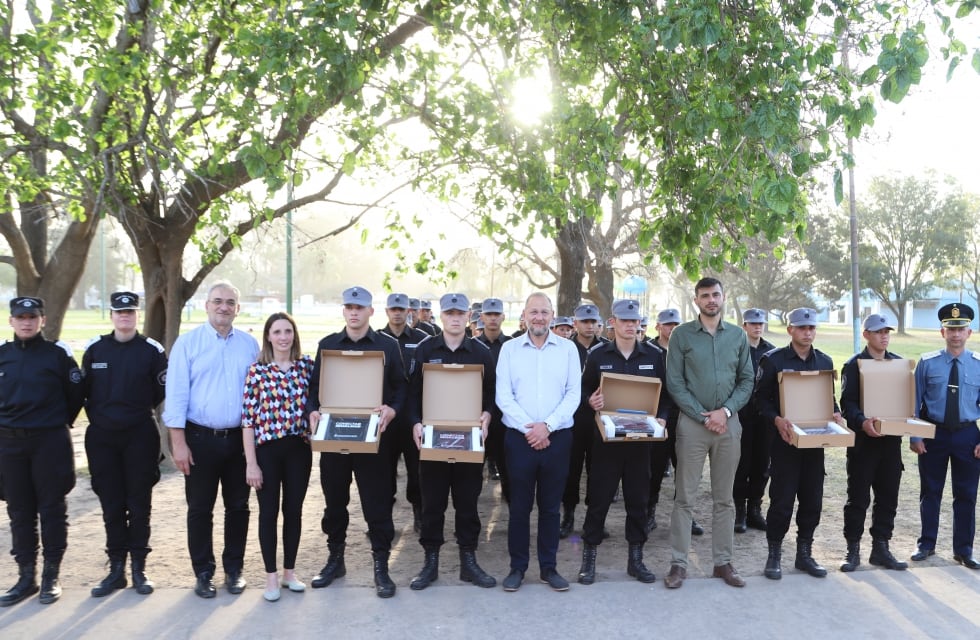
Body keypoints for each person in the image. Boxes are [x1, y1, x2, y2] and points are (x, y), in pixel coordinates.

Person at [305, 286, 407, 598]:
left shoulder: (388, 346)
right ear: (343, 310)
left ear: (370, 312)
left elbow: (401, 387)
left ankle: (381, 565)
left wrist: (393, 409)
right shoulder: (328, 345)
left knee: (377, 505)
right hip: (335, 436)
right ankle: (335, 559)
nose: (354, 312)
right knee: (335, 502)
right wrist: (312, 411)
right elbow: (313, 390)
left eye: (360, 307)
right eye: (349, 306)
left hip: (374, 439)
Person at [164, 281, 259, 599]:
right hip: (199, 439)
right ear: (206, 305)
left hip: (238, 441)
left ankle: (234, 570)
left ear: (238, 308)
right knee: (200, 509)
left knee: (238, 507)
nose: (223, 307)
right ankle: (203, 572)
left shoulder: (249, 345)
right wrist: (178, 442)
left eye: (230, 302)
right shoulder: (187, 344)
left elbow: (259, 395)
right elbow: (175, 396)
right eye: (217, 301)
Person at [664, 278, 753, 590]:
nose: (712, 300)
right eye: (705, 296)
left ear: (723, 296)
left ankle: (723, 562)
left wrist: (725, 412)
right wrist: (702, 415)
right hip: (692, 425)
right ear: (696, 300)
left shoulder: (738, 336)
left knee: (724, 498)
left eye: (716, 294)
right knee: (684, 497)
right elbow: (675, 381)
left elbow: (746, 380)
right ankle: (678, 563)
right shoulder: (681, 335)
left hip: (728, 425)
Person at [408, 293, 497, 590]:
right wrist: (416, 423)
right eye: (449, 313)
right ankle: (430, 563)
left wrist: (486, 415)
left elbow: (491, 394)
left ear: (468, 316)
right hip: (434, 438)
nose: (455, 318)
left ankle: (468, 562)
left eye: (460, 313)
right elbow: (412, 394)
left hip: (468, 438)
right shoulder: (424, 350)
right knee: (432, 504)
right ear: (441, 316)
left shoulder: (481, 353)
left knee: (467, 503)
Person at [576, 299, 668, 586]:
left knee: (638, 501)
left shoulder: (653, 356)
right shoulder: (598, 354)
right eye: (624, 320)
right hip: (606, 442)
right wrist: (590, 401)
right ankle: (588, 558)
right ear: (613, 322)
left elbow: (665, 396)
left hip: (640, 442)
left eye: (635, 321)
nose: (630, 326)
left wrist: (662, 417)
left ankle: (636, 559)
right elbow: (582, 390)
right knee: (599, 500)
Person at [82, 292, 168, 598]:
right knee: (111, 503)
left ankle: (139, 569)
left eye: (130, 312)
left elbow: (160, 391)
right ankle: (116, 568)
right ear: (111, 315)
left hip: (140, 434)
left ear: (137, 314)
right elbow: (84, 392)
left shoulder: (151, 350)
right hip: (103, 437)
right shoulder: (95, 348)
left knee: (139, 503)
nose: (125, 316)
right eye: (119, 312)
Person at [0, 297, 84, 607]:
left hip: (49, 441)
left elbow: (76, 395)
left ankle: (51, 576)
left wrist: (53, 423)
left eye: (32, 317)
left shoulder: (57, 355)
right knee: (19, 511)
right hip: (9, 444)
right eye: (20, 317)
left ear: (42, 321)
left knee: (52, 510)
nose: (26, 322)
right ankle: (26, 577)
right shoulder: (2, 356)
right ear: (11, 320)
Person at [496, 292, 581, 592]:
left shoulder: (569, 350)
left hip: (557, 440)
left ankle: (549, 568)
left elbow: (573, 394)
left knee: (550, 509)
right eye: (534, 312)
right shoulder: (509, 350)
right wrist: (530, 429)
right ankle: (517, 567)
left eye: (544, 312)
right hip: (519, 441)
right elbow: (503, 396)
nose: (539, 317)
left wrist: (547, 427)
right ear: (524, 314)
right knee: (519, 508)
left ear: (552, 314)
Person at [755, 307, 842, 580]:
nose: (807, 332)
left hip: (816, 442)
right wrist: (777, 420)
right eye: (802, 328)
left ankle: (804, 554)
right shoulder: (773, 360)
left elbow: (830, 399)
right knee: (781, 500)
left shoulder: (825, 362)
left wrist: (836, 413)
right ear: (790, 329)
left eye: (811, 328)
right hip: (785, 442)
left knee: (812, 500)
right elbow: (760, 400)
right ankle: (774, 554)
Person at [241, 312, 315, 602]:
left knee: (293, 511)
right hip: (267, 451)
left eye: (288, 331)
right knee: (268, 513)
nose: (283, 337)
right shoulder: (257, 371)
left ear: (294, 335)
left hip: (298, 449)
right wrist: (251, 463)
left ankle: (289, 574)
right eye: (277, 332)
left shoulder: (306, 367)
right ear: (268, 336)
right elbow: (247, 421)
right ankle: (270, 577)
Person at [910, 302, 980, 569]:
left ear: (969, 332)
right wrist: (915, 436)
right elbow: (914, 402)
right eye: (951, 329)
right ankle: (926, 544)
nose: (956, 334)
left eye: (961, 329)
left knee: (966, 493)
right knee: (930, 491)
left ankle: (964, 549)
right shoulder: (927, 363)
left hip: (967, 436)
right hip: (932, 434)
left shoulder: (978, 365)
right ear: (942, 332)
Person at [838, 313, 907, 572]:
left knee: (888, 497)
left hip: (891, 444)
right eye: (878, 332)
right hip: (863, 445)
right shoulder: (853, 365)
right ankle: (852, 549)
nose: (884, 336)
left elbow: (903, 400)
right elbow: (847, 404)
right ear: (866, 335)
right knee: (858, 499)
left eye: (887, 331)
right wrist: (863, 421)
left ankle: (881, 548)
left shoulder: (899, 364)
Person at [648, 308, 703, 535]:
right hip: (659, 418)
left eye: (675, 324)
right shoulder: (649, 352)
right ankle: (648, 513)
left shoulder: (688, 349)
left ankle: (685, 516)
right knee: (655, 468)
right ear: (658, 326)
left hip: (685, 416)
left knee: (686, 471)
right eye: (667, 324)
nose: (672, 328)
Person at [378, 293, 428, 533]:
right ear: (386, 311)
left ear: (409, 311)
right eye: (393, 309)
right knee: (383, 472)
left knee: (417, 470)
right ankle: (384, 518)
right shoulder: (376, 340)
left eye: (401, 309)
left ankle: (419, 513)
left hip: (412, 417)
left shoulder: (422, 340)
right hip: (386, 417)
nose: (397, 313)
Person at [560, 303, 607, 539]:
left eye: (593, 321)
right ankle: (568, 514)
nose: (589, 326)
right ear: (575, 323)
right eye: (584, 321)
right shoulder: (564, 349)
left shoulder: (608, 348)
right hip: (573, 419)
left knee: (598, 470)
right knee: (571, 469)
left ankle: (594, 517)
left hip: (601, 420)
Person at [733, 308, 776, 533]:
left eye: (760, 323)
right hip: (742, 415)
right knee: (742, 464)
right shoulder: (736, 349)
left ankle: (754, 509)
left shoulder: (772, 351)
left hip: (764, 418)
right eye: (753, 323)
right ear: (745, 326)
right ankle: (739, 510)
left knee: (762, 465)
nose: (757, 327)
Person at [475, 297, 512, 492]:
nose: (492, 318)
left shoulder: (512, 345)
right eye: (488, 314)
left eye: (496, 314)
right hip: (479, 414)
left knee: (508, 468)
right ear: (481, 317)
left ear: (503, 317)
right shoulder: (472, 347)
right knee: (473, 469)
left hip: (506, 416)